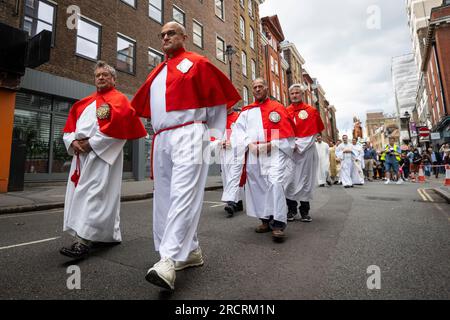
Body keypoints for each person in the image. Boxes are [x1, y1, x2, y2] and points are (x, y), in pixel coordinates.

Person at [131, 22, 241, 290]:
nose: (166, 37)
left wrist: (213, 136)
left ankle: (168, 260)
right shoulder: (156, 73)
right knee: (164, 197)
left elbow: (216, 101)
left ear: (184, 37)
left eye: (171, 33)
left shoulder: (197, 63)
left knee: (183, 194)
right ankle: (190, 251)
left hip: (190, 134)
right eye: (162, 35)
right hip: (162, 138)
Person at [60, 61, 147, 259]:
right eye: (98, 75)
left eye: (105, 75)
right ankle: (105, 235)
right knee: (84, 195)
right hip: (81, 156)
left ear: (114, 79)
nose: (100, 77)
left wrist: (92, 144)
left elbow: (119, 129)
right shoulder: (82, 104)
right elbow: (68, 129)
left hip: (101, 156)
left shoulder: (120, 100)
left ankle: (83, 242)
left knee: (94, 195)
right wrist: (73, 142)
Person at [230, 78, 295, 241]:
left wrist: (272, 144)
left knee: (275, 184)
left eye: (260, 86)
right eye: (255, 87)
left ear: (267, 88)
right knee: (257, 186)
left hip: (274, 153)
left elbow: (287, 134)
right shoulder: (246, 111)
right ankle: (265, 220)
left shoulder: (277, 108)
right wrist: (249, 144)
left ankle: (279, 223)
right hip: (253, 153)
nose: (257, 89)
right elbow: (238, 131)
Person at [284, 84, 324, 223]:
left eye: (297, 93)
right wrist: (290, 145)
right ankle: (291, 210)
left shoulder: (311, 111)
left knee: (305, 180)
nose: (294, 95)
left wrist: (298, 145)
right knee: (289, 180)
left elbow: (313, 133)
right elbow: (283, 131)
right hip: (290, 152)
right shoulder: (285, 111)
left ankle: (304, 211)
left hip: (306, 152)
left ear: (302, 94)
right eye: (292, 93)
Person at [218, 108, 244, 218]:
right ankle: (238, 202)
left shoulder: (238, 117)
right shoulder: (220, 119)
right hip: (224, 153)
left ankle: (231, 203)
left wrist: (232, 142)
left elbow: (243, 135)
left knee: (233, 176)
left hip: (235, 152)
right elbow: (215, 135)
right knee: (226, 176)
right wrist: (220, 143)